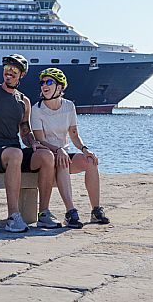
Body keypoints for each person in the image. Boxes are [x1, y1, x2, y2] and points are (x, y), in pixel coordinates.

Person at [0, 49, 61, 232]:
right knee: (15, 154)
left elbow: (25, 131)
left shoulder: (23, 101)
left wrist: (33, 142)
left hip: (13, 153)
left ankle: (44, 214)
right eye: (7, 68)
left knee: (47, 156)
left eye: (14, 70)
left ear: (21, 75)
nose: (9, 72)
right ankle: (13, 217)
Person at [31, 67, 110, 229]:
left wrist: (85, 149)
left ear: (59, 87)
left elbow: (74, 135)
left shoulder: (69, 107)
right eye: (42, 82)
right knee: (62, 161)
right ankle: (70, 212)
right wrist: (58, 149)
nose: (44, 85)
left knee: (91, 161)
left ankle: (96, 210)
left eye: (49, 82)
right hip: (48, 157)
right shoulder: (37, 109)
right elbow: (39, 140)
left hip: (64, 154)